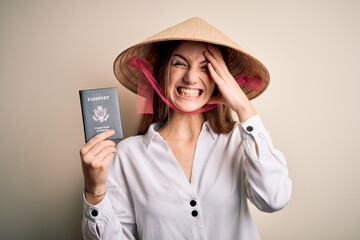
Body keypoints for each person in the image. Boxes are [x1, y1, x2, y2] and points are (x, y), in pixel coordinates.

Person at [80, 17, 292, 240]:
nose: (191, 77)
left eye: (206, 67)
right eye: (179, 63)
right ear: (161, 72)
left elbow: (274, 198)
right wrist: (94, 192)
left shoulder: (238, 142)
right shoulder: (128, 154)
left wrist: (244, 107)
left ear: (222, 79)